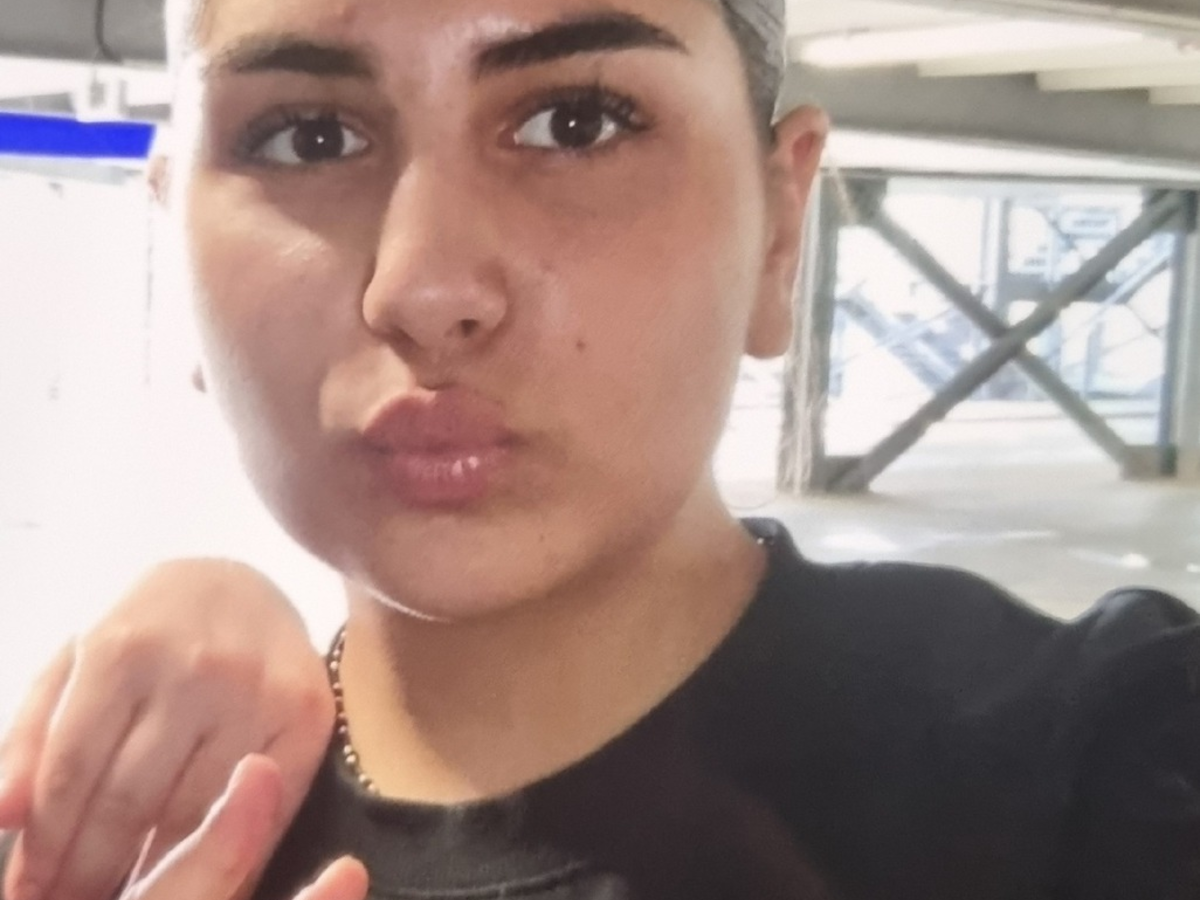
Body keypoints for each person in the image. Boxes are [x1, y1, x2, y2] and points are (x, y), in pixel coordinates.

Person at [3, 0, 1200, 896]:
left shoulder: (1095, 763)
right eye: (307, 138)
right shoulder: (108, 842)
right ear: (173, 242)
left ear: (780, 232)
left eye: (574, 123)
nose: (424, 287)